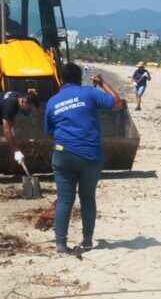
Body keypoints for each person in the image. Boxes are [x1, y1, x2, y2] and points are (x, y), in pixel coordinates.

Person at [44, 63, 123, 254]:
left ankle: (61, 244)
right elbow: (117, 102)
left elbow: (49, 131)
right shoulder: (89, 93)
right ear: (79, 78)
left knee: (64, 200)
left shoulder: (52, 102)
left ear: (61, 79)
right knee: (87, 198)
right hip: (90, 156)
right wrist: (102, 83)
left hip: (63, 155)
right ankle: (87, 241)